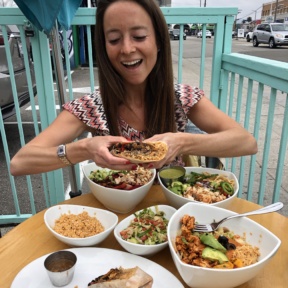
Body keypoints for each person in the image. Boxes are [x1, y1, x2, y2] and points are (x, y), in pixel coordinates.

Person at [10, 0, 257, 176]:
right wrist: (84, 149)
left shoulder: (181, 98)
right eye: (114, 40)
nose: (127, 49)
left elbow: (246, 142)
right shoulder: (91, 106)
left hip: (173, 220)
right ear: (104, 48)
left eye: (139, 36)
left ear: (159, 42)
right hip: (116, 218)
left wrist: (182, 142)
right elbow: (20, 162)